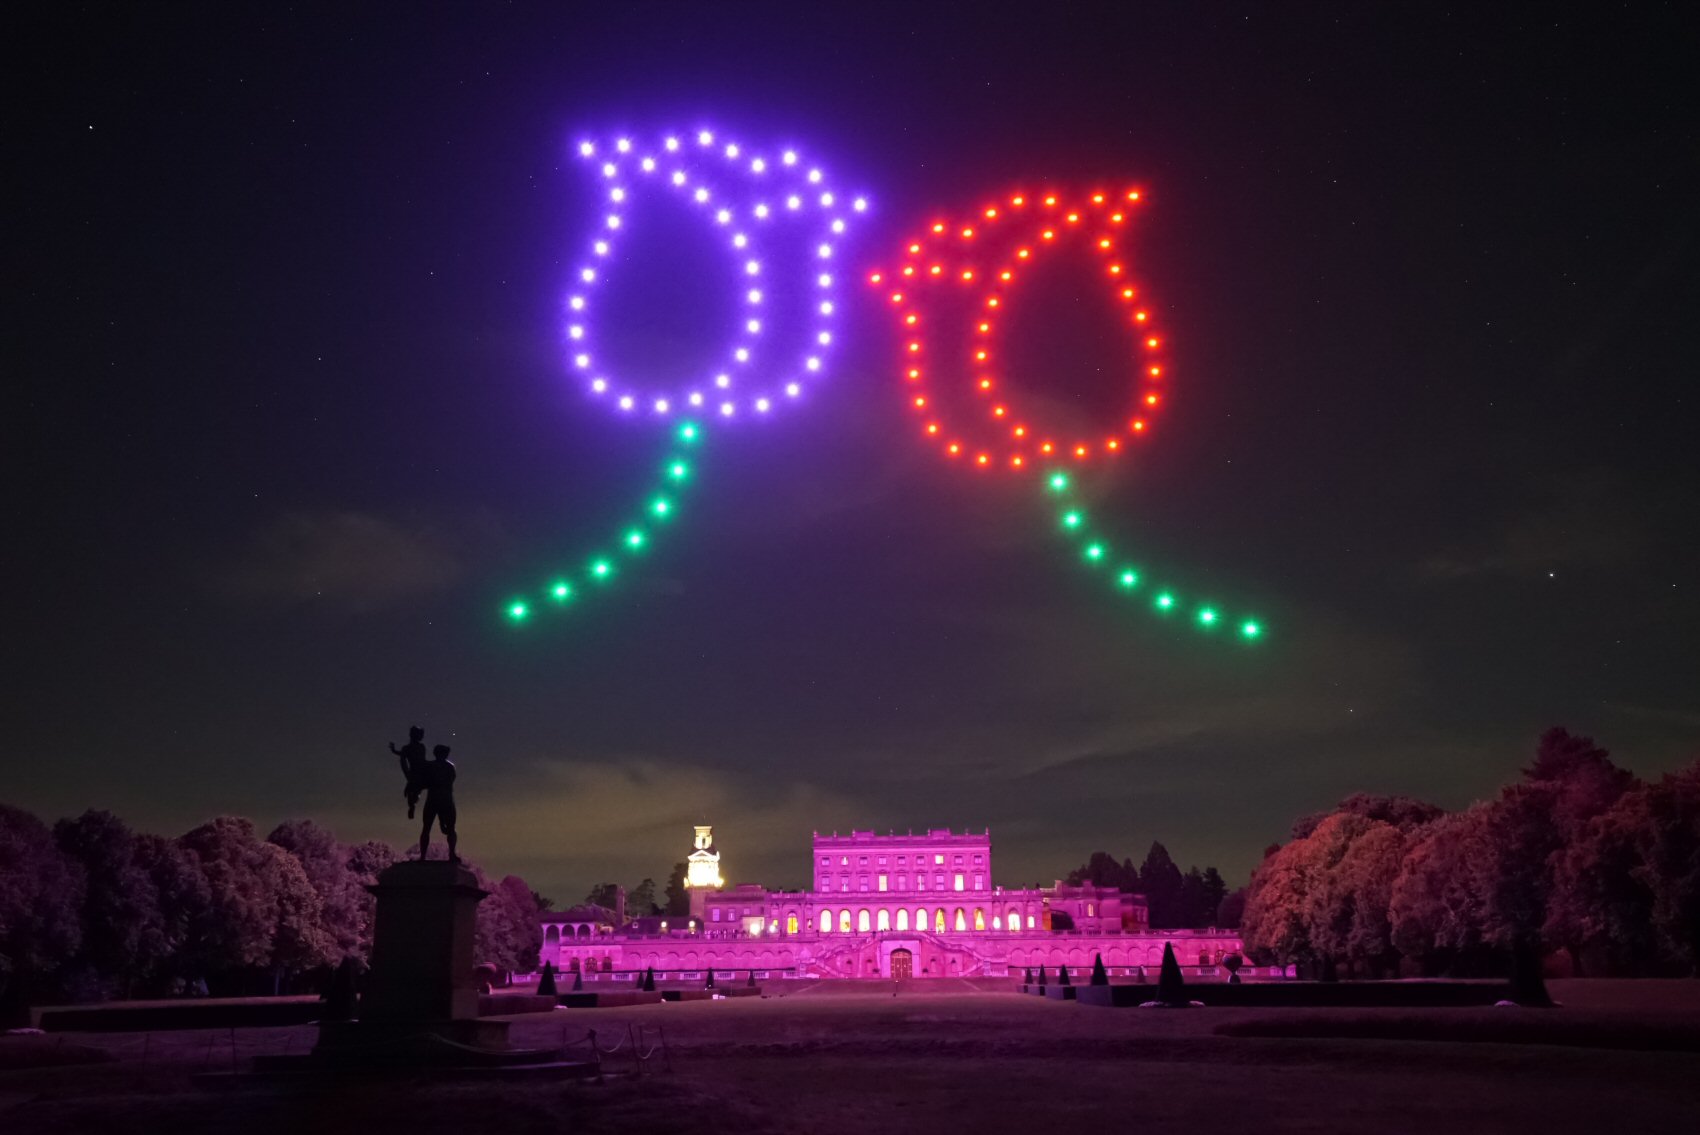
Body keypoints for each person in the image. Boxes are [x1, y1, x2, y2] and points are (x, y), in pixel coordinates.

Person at [418, 743, 458, 862]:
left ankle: (424, 856)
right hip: (444, 800)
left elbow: (426, 782)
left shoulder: (433, 767)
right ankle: (450, 854)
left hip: (437, 800)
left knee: (428, 828)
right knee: (445, 828)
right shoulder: (449, 767)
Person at [390, 726, 426, 818]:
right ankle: (412, 805)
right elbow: (404, 755)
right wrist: (394, 751)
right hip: (416, 771)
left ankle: (412, 804)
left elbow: (404, 755)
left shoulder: (418, 747)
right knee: (414, 790)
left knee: (414, 791)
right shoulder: (414, 747)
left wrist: (394, 751)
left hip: (418, 771)